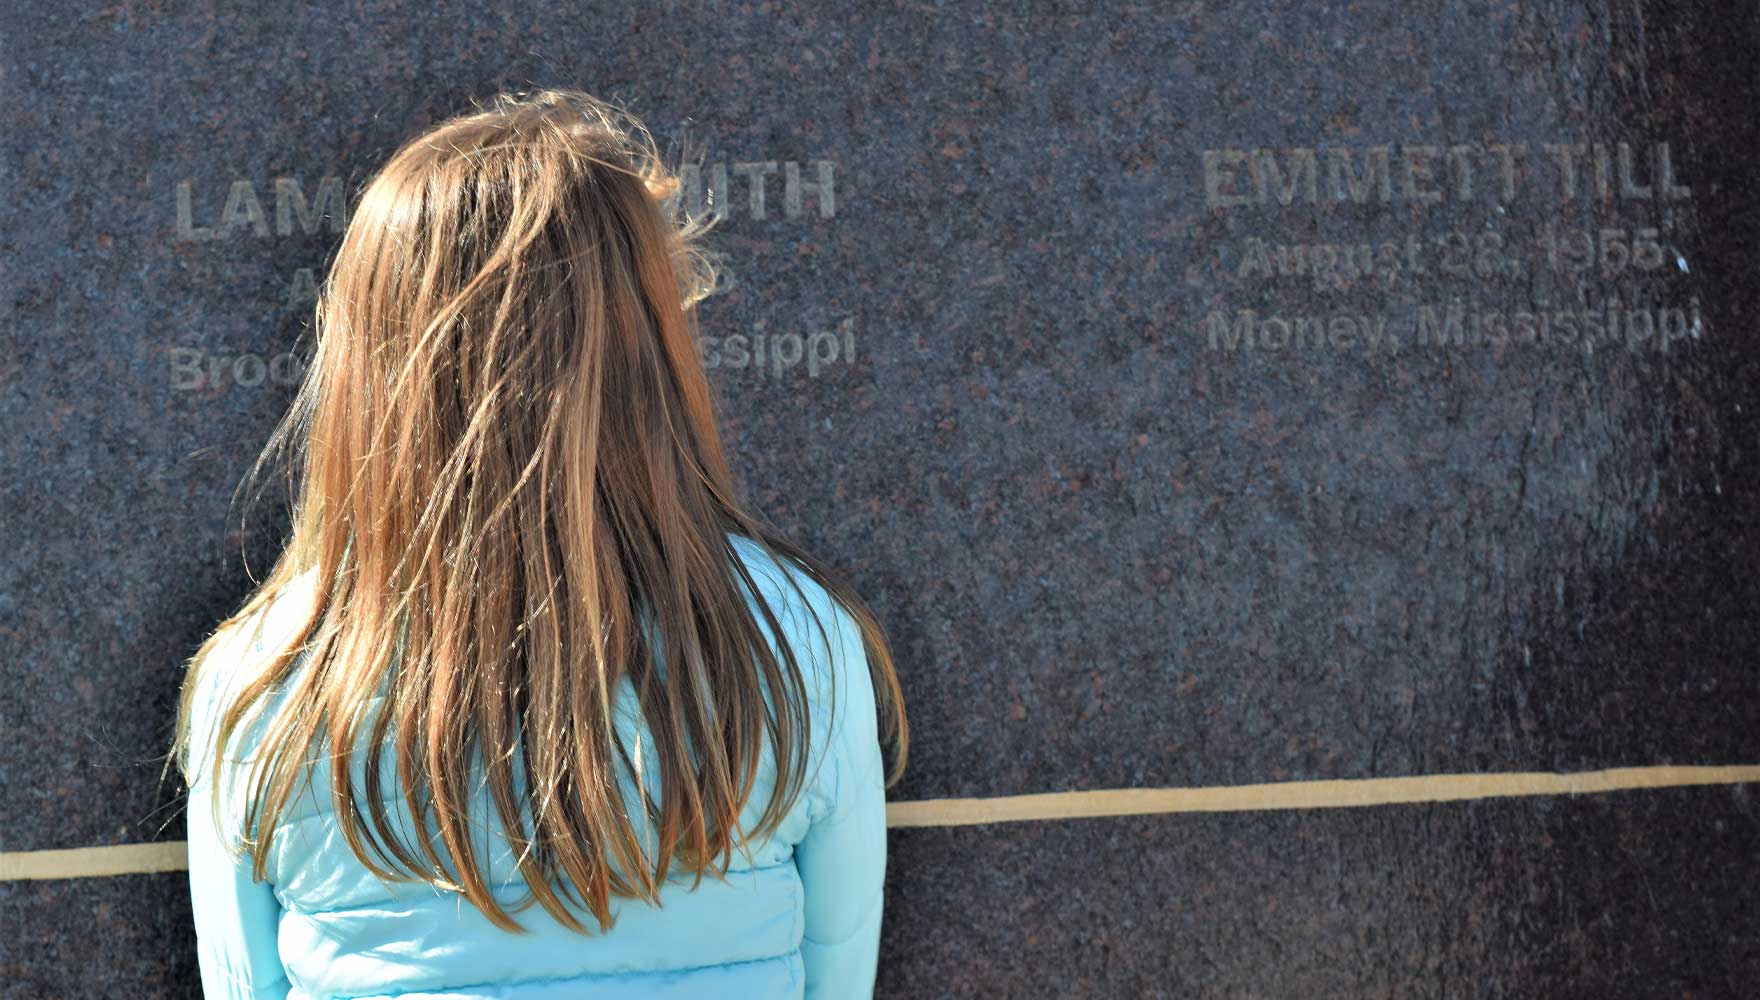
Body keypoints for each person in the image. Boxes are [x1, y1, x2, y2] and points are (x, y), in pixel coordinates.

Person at [167, 87, 909, 1000]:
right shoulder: (797, 638)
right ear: (648, 341)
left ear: (366, 356)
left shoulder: (262, 676)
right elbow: (835, 975)